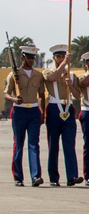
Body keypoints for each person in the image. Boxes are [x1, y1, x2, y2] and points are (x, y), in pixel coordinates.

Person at [4, 45, 46, 187]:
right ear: (22, 58)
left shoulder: (38, 75)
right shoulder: (14, 74)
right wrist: (14, 99)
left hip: (33, 111)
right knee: (19, 144)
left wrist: (42, 112)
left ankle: (35, 176)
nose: (31, 60)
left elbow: (41, 95)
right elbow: (6, 93)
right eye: (28, 57)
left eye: (32, 58)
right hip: (19, 111)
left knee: (34, 144)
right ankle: (18, 177)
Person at [43, 44, 83, 186]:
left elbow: (78, 96)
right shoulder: (47, 71)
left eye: (63, 56)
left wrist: (71, 85)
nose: (61, 59)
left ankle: (72, 176)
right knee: (53, 145)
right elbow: (52, 78)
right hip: (54, 107)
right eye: (58, 56)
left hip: (68, 107)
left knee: (69, 144)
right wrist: (64, 64)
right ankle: (54, 177)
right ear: (54, 57)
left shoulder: (71, 74)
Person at [77, 51, 89, 186]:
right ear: (86, 64)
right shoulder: (82, 77)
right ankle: (88, 175)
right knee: (88, 146)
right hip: (87, 111)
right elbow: (84, 83)